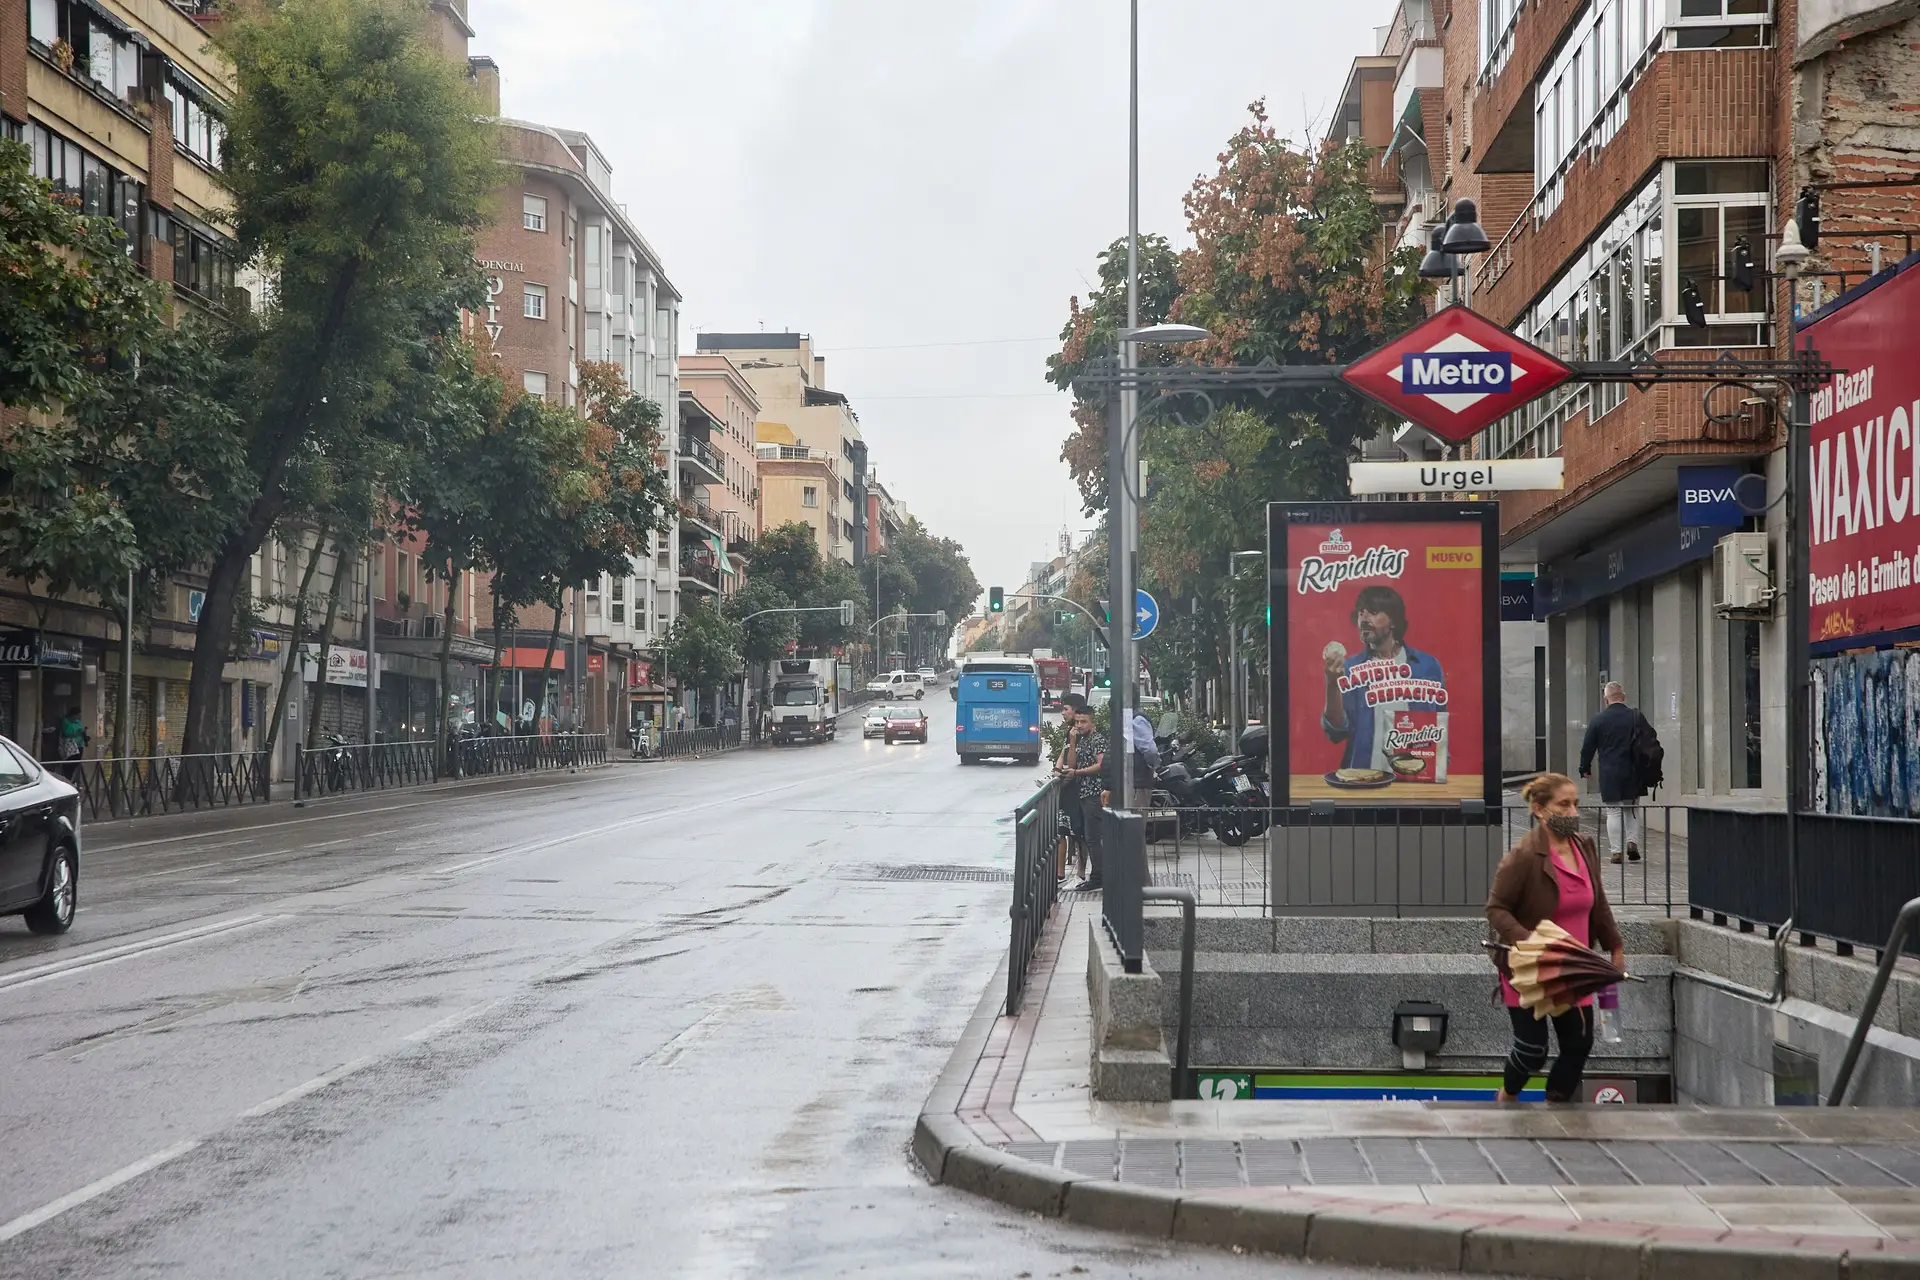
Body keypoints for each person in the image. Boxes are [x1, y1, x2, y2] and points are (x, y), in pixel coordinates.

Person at [1486, 772, 1626, 1104]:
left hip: (1574, 968)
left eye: (1575, 804)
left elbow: (1598, 902)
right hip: (1531, 967)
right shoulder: (1522, 856)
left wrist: (1615, 946)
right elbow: (1496, 908)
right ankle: (1506, 1096)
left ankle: (1557, 1106)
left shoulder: (1584, 847)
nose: (1572, 812)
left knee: (1578, 1044)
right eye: (1563, 804)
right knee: (1533, 1050)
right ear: (1539, 809)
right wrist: (1530, 941)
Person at [1321, 584, 1445, 770]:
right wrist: (1332, 684)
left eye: (1373, 612)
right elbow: (1337, 731)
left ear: (1393, 621)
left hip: (1415, 782)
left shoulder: (1427, 666)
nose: (1364, 618)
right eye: (1361, 613)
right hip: (1365, 782)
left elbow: (1440, 727)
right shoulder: (1350, 669)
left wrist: (1439, 765)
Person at [1579, 682, 1657, 863]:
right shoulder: (1637, 717)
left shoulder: (1598, 720)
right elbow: (1650, 741)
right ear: (1623, 697)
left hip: (1610, 772)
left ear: (1606, 699)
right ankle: (1632, 843)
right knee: (1632, 810)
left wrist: (1584, 768)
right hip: (1634, 772)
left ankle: (1616, 852)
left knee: (1614, 811)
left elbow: (1587, 747)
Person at [1061, 705, 1107, 892]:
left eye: (1083, 721)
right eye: (1077, 721)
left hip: (1094, 794)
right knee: (1089, 837)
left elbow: (1101, 764)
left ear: (1092, 722)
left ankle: (1098, 877)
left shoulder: (1098, 740)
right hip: (1082, 794)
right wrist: (1072, 741)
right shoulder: (1079, 740)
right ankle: (1097, 875)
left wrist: (1078, 772)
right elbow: (1071, 763)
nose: (1079, 725)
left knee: (1093, 838)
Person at [1127, 708, 1159, 810]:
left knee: (1135, 821)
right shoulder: (1135, 719)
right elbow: (1151, 751)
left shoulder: (1136, 720)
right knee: (1136, 822)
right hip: (1136, 781)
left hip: (1136, 782)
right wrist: (1154, 765)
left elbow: (1150, 750)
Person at [54, 706, 88, 779]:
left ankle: (71, 778)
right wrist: (77, 732)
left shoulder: (79, 722)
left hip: (79, 746)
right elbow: (66, 732)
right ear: (73, 714)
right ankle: (67, 778)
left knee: (75, 763)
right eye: (77, 714)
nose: (79, 716)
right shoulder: (66, 721)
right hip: (70, 746)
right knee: (68, 764)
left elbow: (82, 731)